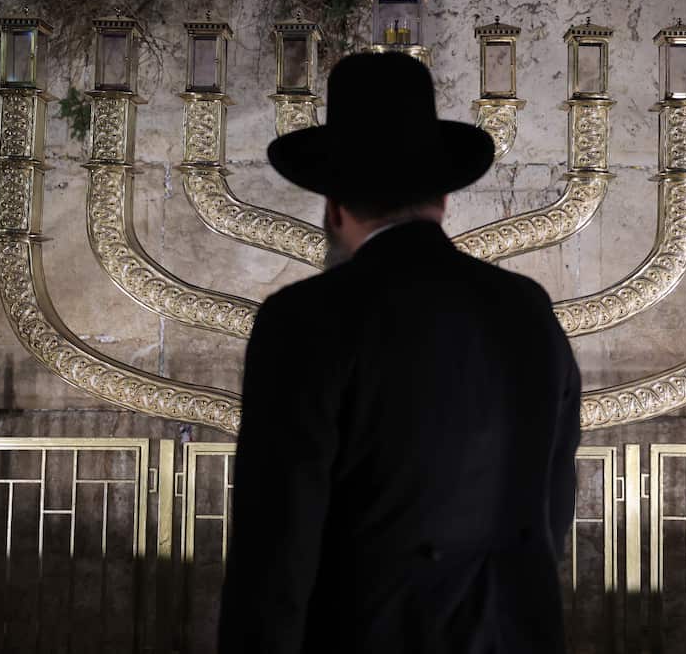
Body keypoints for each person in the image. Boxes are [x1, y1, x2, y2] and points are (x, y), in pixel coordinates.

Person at [219, 52, 582, 654]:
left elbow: (277, 543)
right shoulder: (527, 308)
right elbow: (552, 503)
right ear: (443, 199)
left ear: (334, 208)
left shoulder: (305, 318)